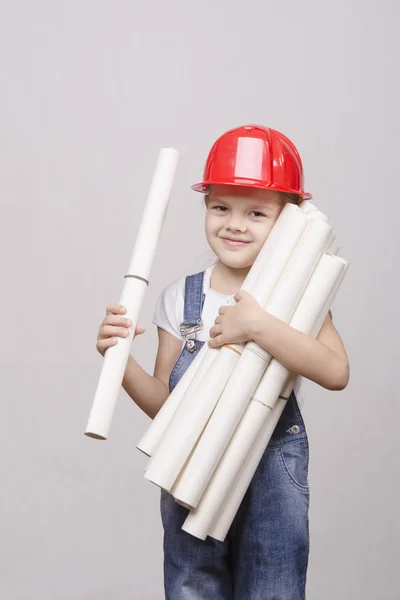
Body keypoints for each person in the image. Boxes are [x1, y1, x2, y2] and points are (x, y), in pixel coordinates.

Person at [96, 125, 350, 600]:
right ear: (206, 205)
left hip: (271, 462)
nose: (235, 224)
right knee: (194, 580)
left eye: (256, 212)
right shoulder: (181, 298)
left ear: (289, 221)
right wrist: (119, 360)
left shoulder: (298, 296)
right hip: (191, 460)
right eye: (220, 207)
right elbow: (166, 409)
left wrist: (258, 327)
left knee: (273, 581)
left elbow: (336, 372)